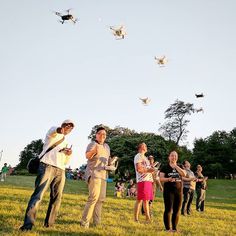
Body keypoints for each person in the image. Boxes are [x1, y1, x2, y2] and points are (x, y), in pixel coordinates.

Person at [19, 119, 74, 231]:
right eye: (66, 125)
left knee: (56, 198)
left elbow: (66, 162)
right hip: (47, 166)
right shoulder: (53, 132)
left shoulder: (66, 142)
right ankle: (27, 225)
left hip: (61, 170)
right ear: (62, 125)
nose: (68, 127)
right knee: (38, 195)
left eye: (71, 127)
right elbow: (54, 130)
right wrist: (60, 130)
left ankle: (49, 224)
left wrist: (68, 154)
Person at [80, 127, 115, 228]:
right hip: (94, 173)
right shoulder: (92, 144)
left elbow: (107, 160)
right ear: (96, 135)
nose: (102, 135)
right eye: (100, 133)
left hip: (103, 175)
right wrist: (94, 150)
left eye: (104, 134)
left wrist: (111, 163)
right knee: (93, 198)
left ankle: (97, 222)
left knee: (101, 199)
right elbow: (87, 156)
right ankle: (84, 222)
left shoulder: (107, 146)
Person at [160, 151, 186, 232]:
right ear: (169, 157)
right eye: (172, 156)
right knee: (168, 209)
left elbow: (184, 174)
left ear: (177, 157)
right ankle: (167, 229)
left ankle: (174, 228)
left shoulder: (180, 166)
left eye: (175, 156)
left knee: (177, 210)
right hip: (168, 191)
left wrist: (176, 166)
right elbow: (160, 178)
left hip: (178, 191)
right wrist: (168, 179)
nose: (173, 157)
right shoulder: (165, 167)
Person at [134, 143, 155, 223]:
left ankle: (147, 218)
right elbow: (139, 169)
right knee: (140, 200)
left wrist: (153, 170)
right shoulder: (138, 156)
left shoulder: (145, 158)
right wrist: (150, 170)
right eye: (144, 145)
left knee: (145, 200)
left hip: (148, 180)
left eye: (146, 145)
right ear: (140, 148)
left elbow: (148, 169)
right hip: (142, 180)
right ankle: (142, 219)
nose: (146, 146)